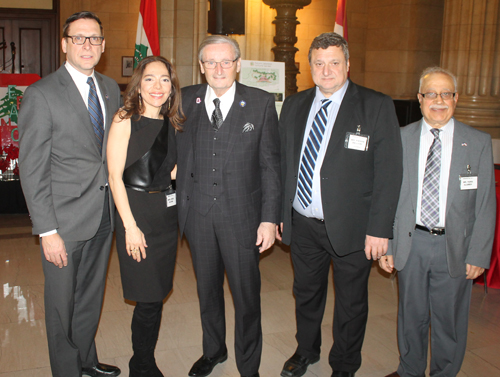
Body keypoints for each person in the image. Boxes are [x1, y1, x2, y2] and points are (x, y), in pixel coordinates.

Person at [277, 32, 403, 377]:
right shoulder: (294, 104)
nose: (326, 70)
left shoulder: (375, 105)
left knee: (351, 303)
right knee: (305, 294)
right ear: (310, 67)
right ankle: (306, 351)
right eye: (319, 63)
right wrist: (279, 214)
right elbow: (283, 164)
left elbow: (390, 174)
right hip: (302, 222)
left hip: (353, 226)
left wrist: (380, 229)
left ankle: (344, 365)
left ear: (347, 65)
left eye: (334, 62)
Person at [18, 11, 121, 377]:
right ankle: (66, 371)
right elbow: (31, 169)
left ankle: (86, 361)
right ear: (65, 44)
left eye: (94, 38)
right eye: (79, 38)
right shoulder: (42, 93)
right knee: (62, 304)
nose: (87, 45)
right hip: (62, 222)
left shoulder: (110, 88)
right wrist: (47, 231)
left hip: (103, 215)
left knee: (90, 299)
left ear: (103, 45)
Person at [379, 67, 495, 377]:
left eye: (446, 93)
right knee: (410, 317)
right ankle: (410, 370)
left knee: (449, 321)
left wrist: (478, 254)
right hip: (411, 242)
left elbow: (485, 204)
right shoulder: (401, 139)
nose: (439, 100)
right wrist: (388, 244)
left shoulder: (478, 142)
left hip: (454, 247)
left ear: (456, 98)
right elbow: (390, 198)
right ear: (419, 99)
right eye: (431, 93)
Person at [176, 35, 281, 377]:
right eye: (210, 62)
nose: (218, 68)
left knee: (246, 297)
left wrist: (269, 219)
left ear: (238, 65)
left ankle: (248, 365)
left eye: (226, 62)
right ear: (202, 66)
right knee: (207, 292)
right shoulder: (184, 99)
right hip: (199, 216)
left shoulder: (261, 102)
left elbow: (270, 166)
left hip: (243, 218)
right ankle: (214, 351)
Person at [107, 56, 184, 377]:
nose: (157, 86)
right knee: (148, 298)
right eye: (150, 79)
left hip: (167, 218)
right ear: (138, 85)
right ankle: (141, 364)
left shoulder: (174, 124)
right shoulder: (125, 119)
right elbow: (113, 176)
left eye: (164, 79)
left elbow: (173, 171)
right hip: (136, 215)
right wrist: (130, 227)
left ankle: (143, 359)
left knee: (157, 294)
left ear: (172, 87)